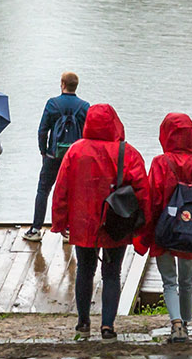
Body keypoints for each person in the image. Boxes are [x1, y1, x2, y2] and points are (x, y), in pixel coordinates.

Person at [49, 103, 150, 341]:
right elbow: (142, 190)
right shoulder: (129, 153)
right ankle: (107, 326)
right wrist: (144, 224)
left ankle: (83, 321)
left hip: (83, 223)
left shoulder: (75, 150)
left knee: (85, 270)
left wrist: (59, 221)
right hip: (117, 222)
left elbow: (61, 188)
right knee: (112, 273)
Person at [144, 112, 192, 344]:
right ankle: (185, 323)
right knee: (186, 281)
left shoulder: (160, 163)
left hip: (165, 229)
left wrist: (146, 233)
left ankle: (175, 324)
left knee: (169, 281)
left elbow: (152, 199)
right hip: (190, 229)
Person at [27, 72, 88, 241]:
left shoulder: (52, 104)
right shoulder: (84, 106)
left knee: (43, 190)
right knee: (73, 192)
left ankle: (36, 229)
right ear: (76, 85)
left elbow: (42, 130)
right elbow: (88, 133)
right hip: (75, 157)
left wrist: (44, 151)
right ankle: (68, 230)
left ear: (62, 84)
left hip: (53, 155)